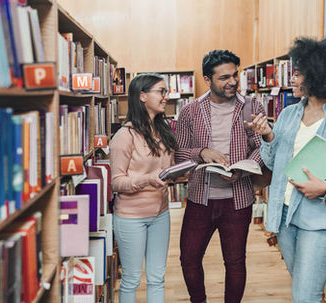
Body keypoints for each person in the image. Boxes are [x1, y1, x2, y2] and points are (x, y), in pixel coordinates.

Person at [246, 37, 326, 302]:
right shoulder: (288, 114)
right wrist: (269, 137)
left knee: (305, 295)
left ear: (319, 75)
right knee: (306, 291)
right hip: (284, 216)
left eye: (297, 74)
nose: (292, 80)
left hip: (321, 219)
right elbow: (274, 165)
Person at [175, 49, 266, 303]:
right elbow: (180, 154)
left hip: (238, 200)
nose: (233, 82)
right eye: (224, 77)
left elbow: (262, 146)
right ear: (207, 80)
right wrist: (202, 152)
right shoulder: (190, 111)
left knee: (235, 262)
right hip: (199, 199)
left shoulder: (251, 106)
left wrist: (245, 168)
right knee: (189, 259)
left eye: (235, 75)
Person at [109, 73, 177, 303]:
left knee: (157, 277)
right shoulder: (124, 136)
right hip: (131, 218)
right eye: (161, 91)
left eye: (165, 91)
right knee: (132, 278)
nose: (166, 97)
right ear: (142, 96)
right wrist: (148, 179)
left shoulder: (163, 131)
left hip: (161, 214)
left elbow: (167, 169)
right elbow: (116, 183)